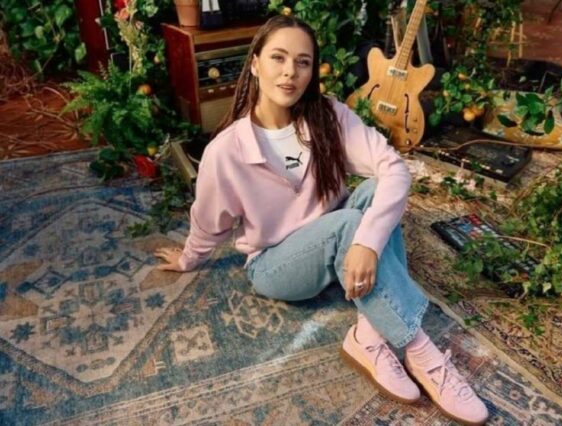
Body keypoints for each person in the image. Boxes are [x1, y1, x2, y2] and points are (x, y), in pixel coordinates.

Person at [155, 14, 489, 426]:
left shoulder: (328, 115)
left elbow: (394, 169)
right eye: (278, 58)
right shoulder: (225, 152)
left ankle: (367, 335)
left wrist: (366, 244)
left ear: (312, 72)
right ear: (255, 63)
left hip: (336, 235)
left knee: (375, 191)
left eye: (303, 62)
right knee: (351, 224)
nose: (289, 72)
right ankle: (422, 352)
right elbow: (209, 221)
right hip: (275, 265)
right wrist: (189, 258)